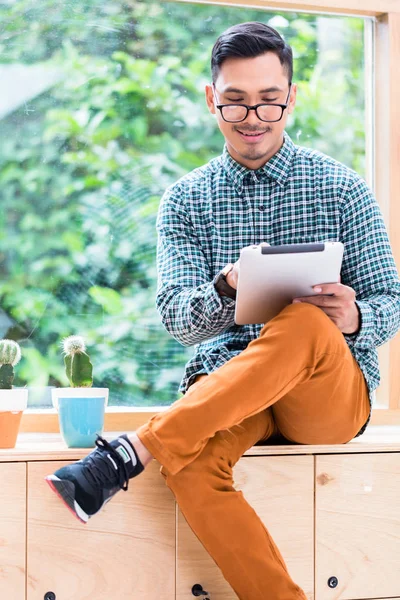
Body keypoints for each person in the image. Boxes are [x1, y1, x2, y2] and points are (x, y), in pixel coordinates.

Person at [45, 21, 400, 600]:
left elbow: (392, 301)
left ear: (291, 96)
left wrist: (354, 318)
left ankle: (130, 451)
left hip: (326, 397)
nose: (253, 117)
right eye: (235, 103)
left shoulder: (342, 188)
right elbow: (180, 322)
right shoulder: (186, 200)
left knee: (307, 320)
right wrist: (228, 287)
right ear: (212, 99)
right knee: (188, 465)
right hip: (232, 388)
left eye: (269, 101)